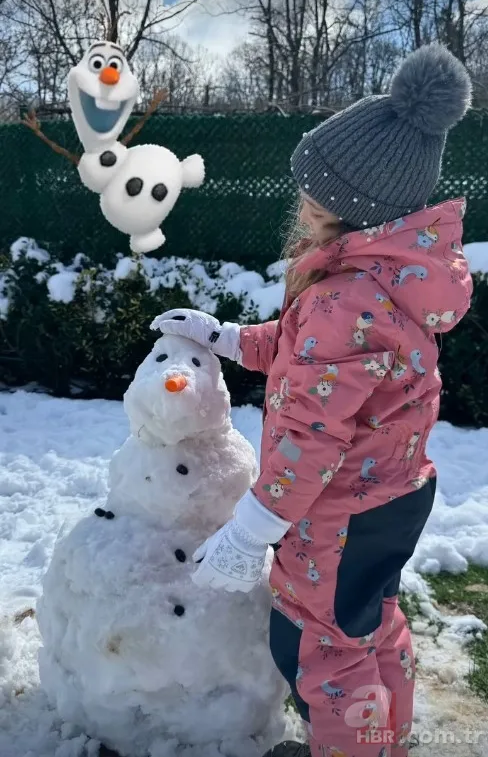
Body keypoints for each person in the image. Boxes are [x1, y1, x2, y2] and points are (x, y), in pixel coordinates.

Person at [152, 44, 472, 757]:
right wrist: (226, 336)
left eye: (312, 189)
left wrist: (251, 529)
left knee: (319, 646)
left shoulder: (341, 298)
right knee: (369, 619)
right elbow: (311, 364)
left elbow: (310, 434)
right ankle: (388, 736)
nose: (300, 197)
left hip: (338, 508)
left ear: (346, 204)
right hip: (395, 494)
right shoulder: (386, 281)